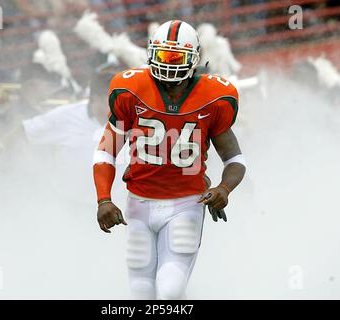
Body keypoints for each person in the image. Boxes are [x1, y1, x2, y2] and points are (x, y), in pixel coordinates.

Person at [93, 20, 246, 299]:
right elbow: (106, 151)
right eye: (164, 55)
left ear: (193, 58)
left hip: (186, 203)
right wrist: (103, 198)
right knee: (141, 294)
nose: (169, 63)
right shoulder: (130, 89)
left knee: (170, 291)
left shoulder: (215, 97)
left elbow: (235, 158)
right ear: (151, 52)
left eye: (176, 57)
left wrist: (224, 188)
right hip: (138, 204)